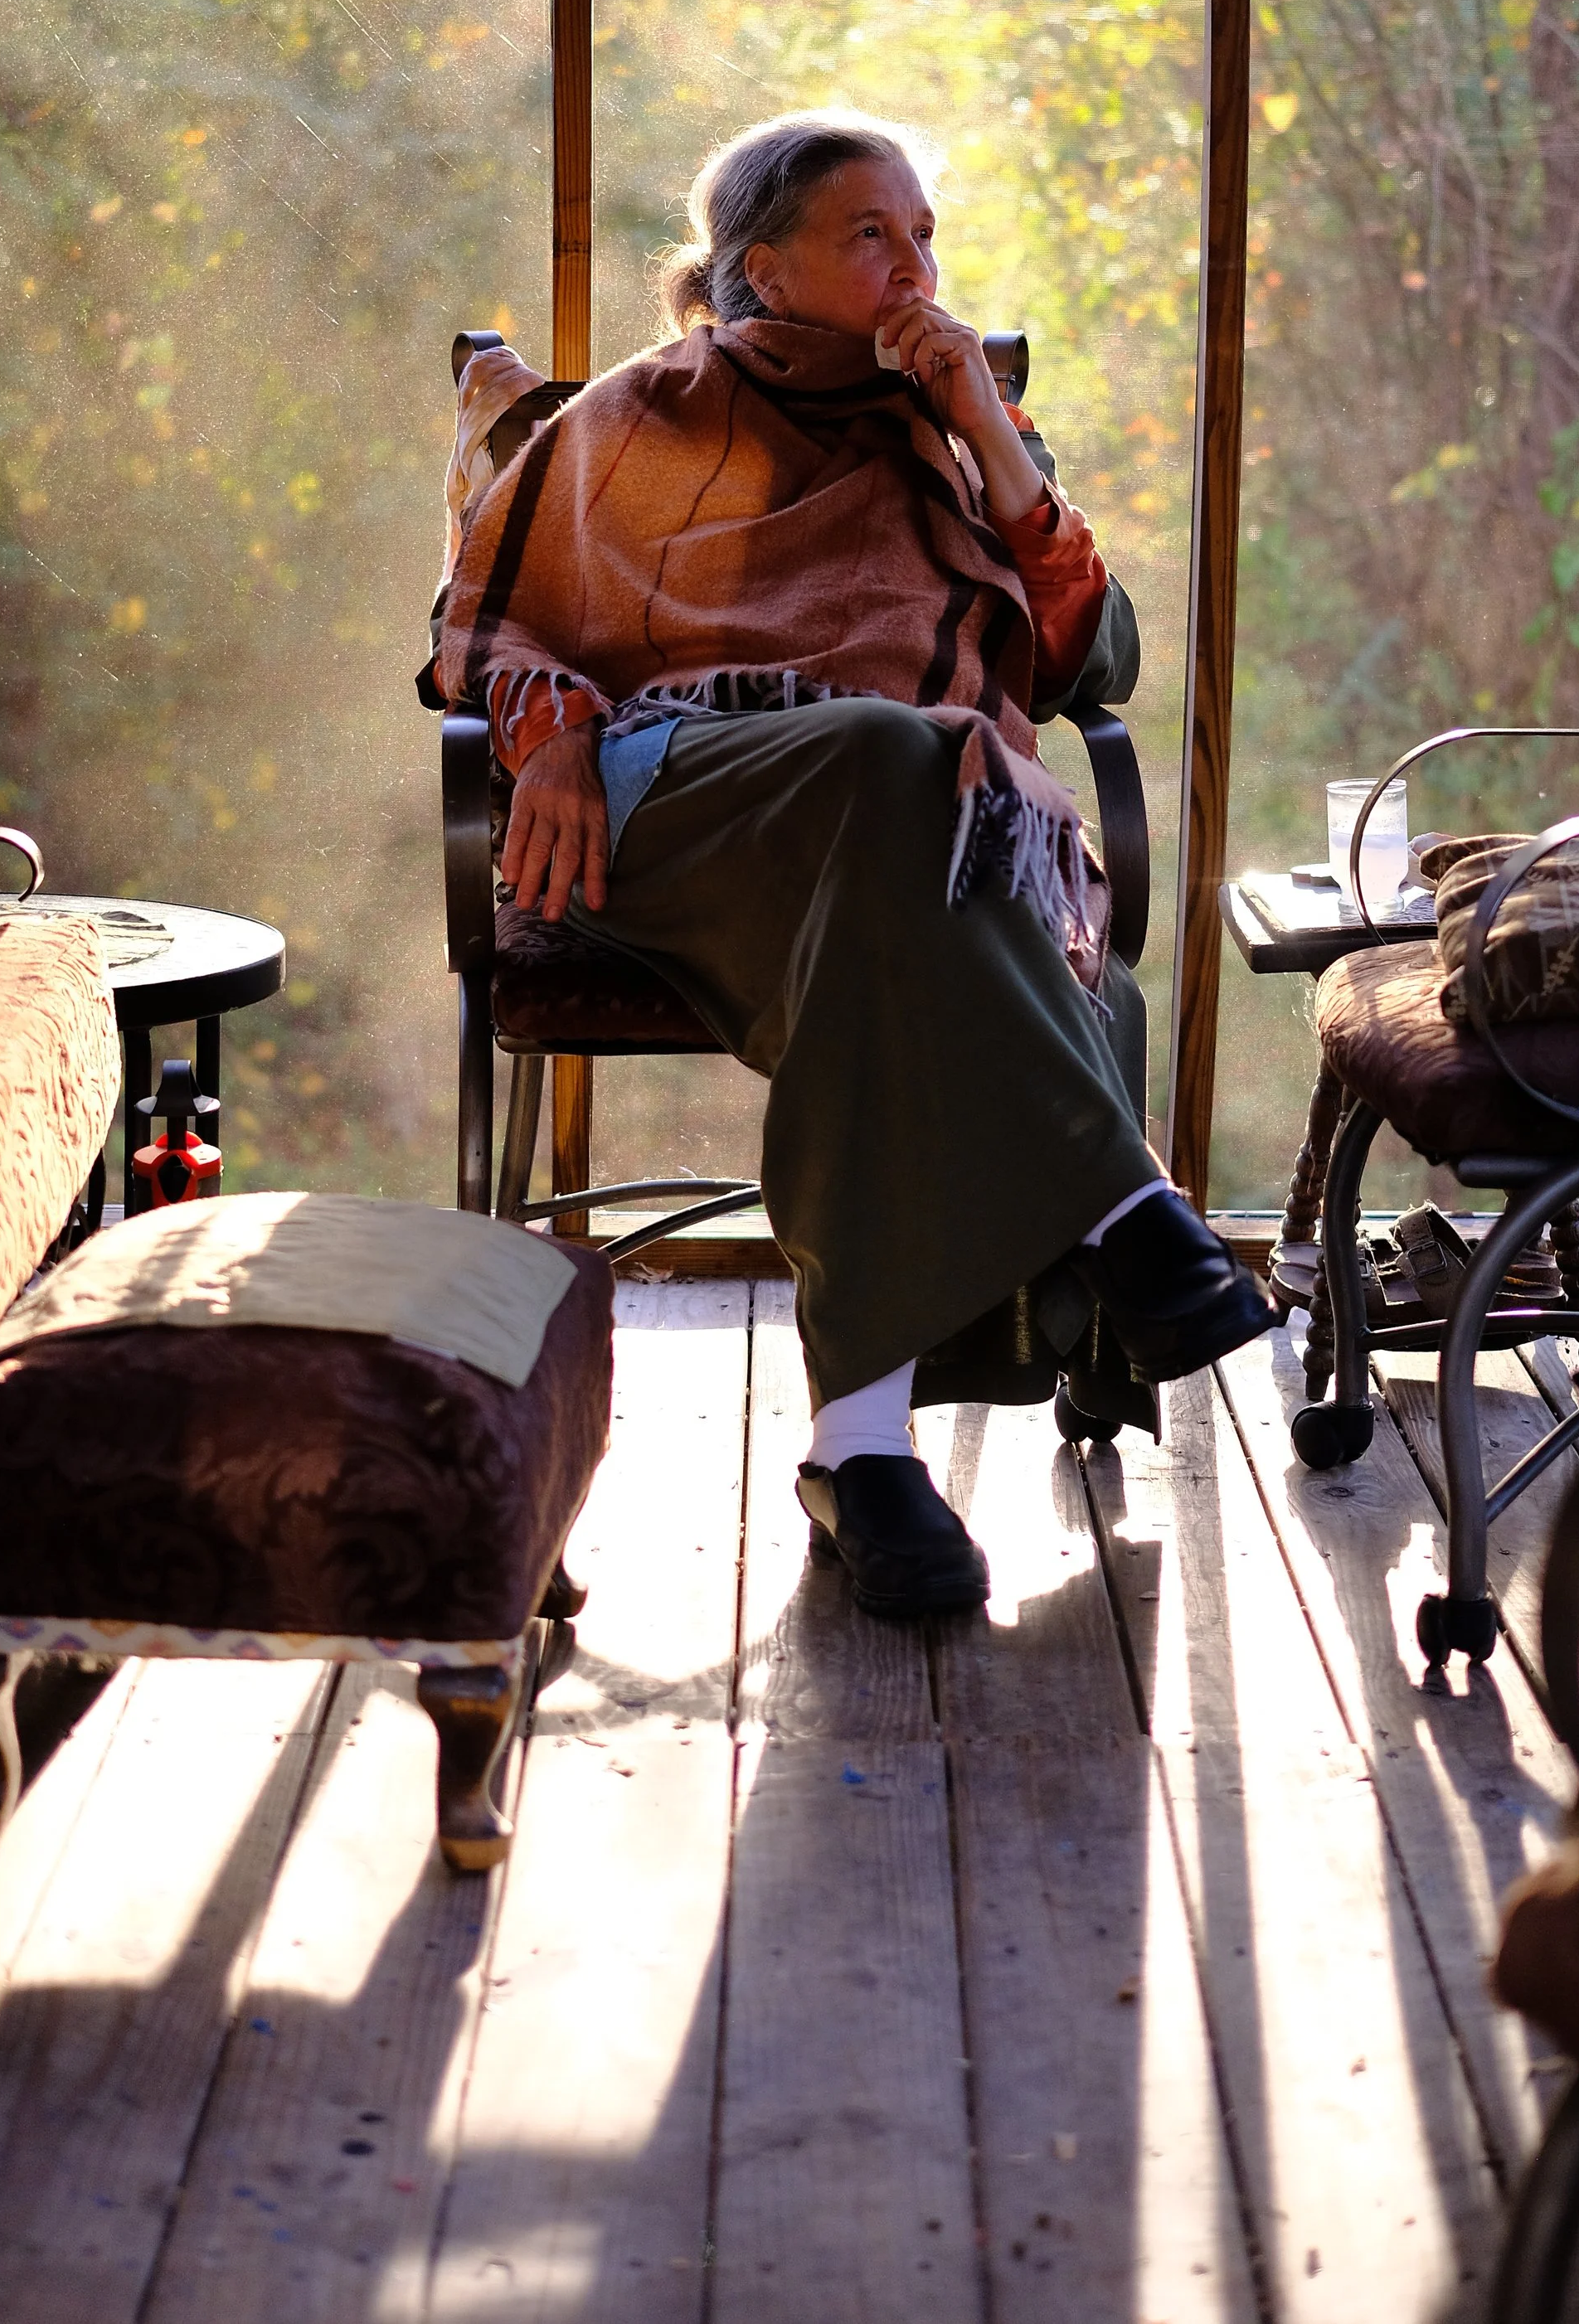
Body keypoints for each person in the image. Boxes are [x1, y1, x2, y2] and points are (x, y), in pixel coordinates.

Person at [438, 110, 1270, 1616]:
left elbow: (1099, 658)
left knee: (900, 864)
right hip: (678, 801)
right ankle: (1122, 1204)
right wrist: (551, 724)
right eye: (871, 236)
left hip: (895, 834)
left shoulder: (956, 436)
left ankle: (862, 1449)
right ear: (760, 269)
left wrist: (987, 428)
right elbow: (491, 620)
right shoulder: (637, 413)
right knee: (907, 769)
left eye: (924, 235)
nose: (915, 266)